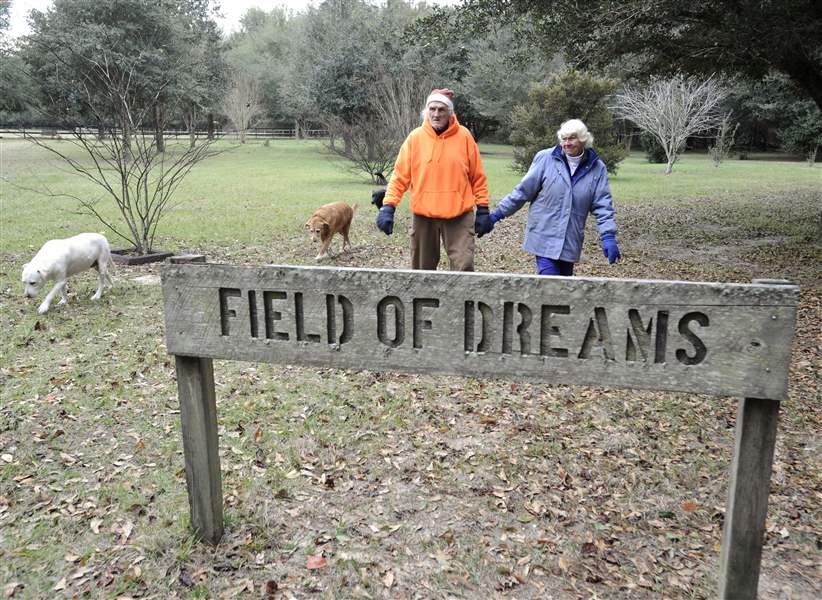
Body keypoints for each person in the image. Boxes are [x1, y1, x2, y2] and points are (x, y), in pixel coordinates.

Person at [476, 118, 621, 276]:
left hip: (570, 240)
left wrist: (608, 236)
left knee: (563, 286)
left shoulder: (597, 168)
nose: (567, 143)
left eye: (572, 138)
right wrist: (496, 215)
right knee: (550, 282)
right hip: (543, 236)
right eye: (564, 139)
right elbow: (523, 191)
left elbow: (603, 205)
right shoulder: (545, 158)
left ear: (583, 139)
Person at [376, 88, 491, 271]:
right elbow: (399, 177)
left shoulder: (464, 137)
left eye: (441, 109)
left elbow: (477, 177)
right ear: (426, 111)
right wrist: (388, 207)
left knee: (465, 267)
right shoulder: (415, 138)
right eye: (432, 109)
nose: (436, 114)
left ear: (450, 112)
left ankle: (460, 291)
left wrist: (483, 208)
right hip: (423, 215)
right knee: (422, 270)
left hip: (459, 214)